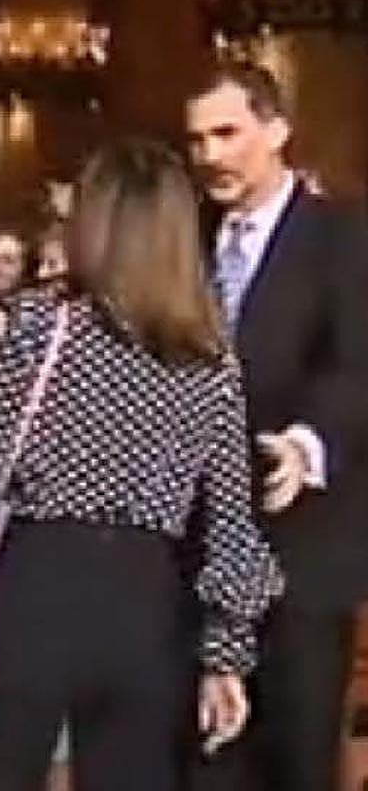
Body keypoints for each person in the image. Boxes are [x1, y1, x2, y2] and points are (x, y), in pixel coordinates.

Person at [0, 139, 282, 791]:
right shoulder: (211, 360)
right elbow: (232, 531)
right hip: (148, 608)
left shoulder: (47, 325)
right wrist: (226, 657)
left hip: (38, 591)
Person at [186, 62, 368, 791]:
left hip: (304, 558)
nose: (211, 155)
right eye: (198, 140)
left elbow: (358, 367)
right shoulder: (185, 241)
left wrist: (306, 443)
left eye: (227, 133)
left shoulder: (343, 237)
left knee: (297, 764)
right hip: (194, 561)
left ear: (278, 131)